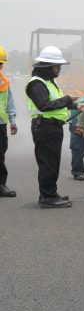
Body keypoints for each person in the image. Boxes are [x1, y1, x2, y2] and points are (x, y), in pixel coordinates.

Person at [25, 45, 77, 208]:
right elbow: (44, 105)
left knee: (53, 163)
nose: (60, 69)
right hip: (45, 127)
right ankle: (47, 197)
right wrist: (68, 99)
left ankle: (51, 193)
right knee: (48, 163)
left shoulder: (50, 82)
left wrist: (76, 106)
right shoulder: (36, 84)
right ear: (48, 66)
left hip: (52, 128)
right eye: (57, 66)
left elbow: (57, 104)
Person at [0, 45, 17, 198]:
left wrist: (12, 121)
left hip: (1, 124)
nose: (1, 66)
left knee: (0, 155)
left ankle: (1, 185)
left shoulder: (3, 82)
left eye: (1, 64)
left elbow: (9, 102)